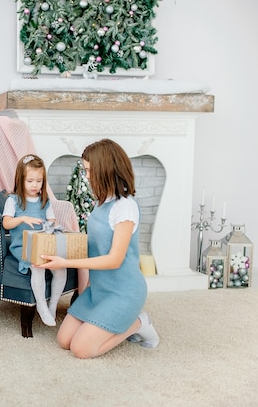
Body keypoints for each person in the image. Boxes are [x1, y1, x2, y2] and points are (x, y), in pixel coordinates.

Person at [38, 139, 159, 358]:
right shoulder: (102, 202)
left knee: (81, 350)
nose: (86, 176)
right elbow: (94, 247)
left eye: (89, 171)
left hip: (124, 292)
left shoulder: (126, 207)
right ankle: (115, 320)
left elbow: (114, 260)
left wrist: (65, 263)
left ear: (105, 169)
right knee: (64, 340)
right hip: (100, 290)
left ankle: (139, 323)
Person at [2, 154, 68, 326]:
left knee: (60, 268)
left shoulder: (44, 201)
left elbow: (52, 221)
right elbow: (6, 223)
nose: (35, 185)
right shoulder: (13, 200)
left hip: (43, 244)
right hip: (23, 246)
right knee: (37, 266)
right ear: (20, 179)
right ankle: (41, 306)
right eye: (30, 181)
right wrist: (23, 219)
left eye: (39, 181)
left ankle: (52, 305)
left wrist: (50, 225)